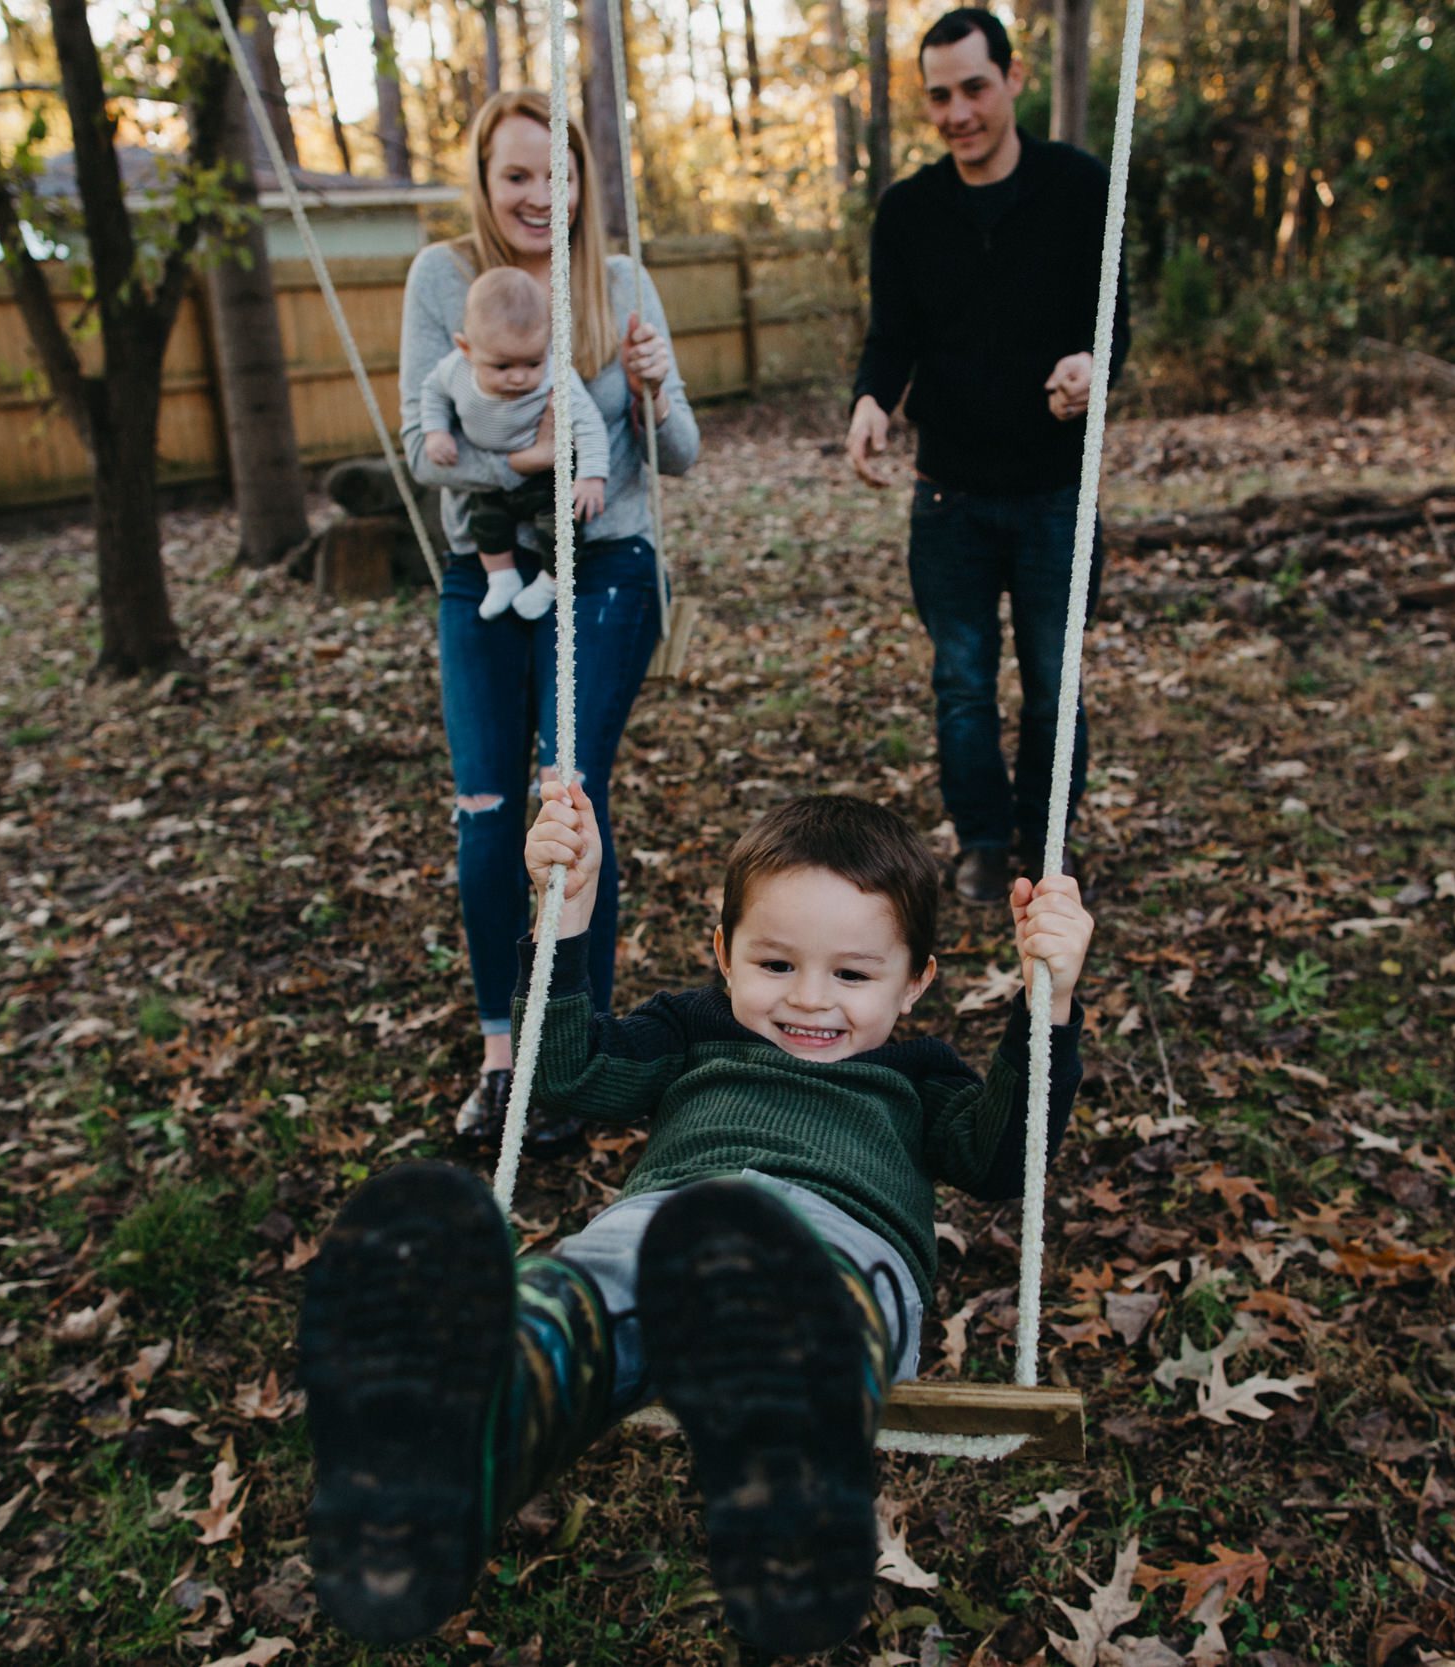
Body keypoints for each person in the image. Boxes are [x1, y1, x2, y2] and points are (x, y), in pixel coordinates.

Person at [299, 788, 1093, 1655]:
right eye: (776, 964)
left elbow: (1001, 1158)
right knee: (605, 1274)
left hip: (842, 1242)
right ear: (724, 954)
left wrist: (1043, 1007)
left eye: (855, 975)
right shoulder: (692, 1029)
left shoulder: (922, 1077)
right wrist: (566, 913)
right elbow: (563, 1072)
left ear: (916, 984)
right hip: (672, 1223)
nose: (812, 1002)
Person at [391, 89, 700, 1150]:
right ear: (484, 182)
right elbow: (421, 446)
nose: (538, 195)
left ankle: (572, 1055)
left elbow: (681, 453)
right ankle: (501, 1053)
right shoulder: (443, 278)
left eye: (556, 174)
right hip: (486, 560)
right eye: (516, 174)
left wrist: (654, 386)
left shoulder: (613, 282)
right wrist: (540, 457)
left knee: (564, 790)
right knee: (484, 808)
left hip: (605, 552)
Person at [847, 6, 1130, 906]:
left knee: (1053, 685)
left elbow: (1111, 319)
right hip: (950, 500)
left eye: (974, 87)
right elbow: (891, 335)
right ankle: (979, 840)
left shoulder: (1080, 188)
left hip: (1053, 492)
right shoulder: (908, 212)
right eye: (939, 96)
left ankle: (1046, 842)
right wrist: (869, 403)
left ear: (1013, 77)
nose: (958, 111)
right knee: (962, 684)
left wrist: (1094, 366)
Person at [419, 265, 612, 622]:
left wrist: (591, 476)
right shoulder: (452, 371)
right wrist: (436, 431)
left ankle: (552, 582)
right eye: (502, 366)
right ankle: (501, 577)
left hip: (549, 477)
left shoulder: (557, 377)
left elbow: (589, 425)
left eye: (532, 362)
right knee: (485, 522)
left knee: (562, 526)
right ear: (466, 348)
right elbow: (430, 395)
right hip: (492, 473)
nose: (520, 376)